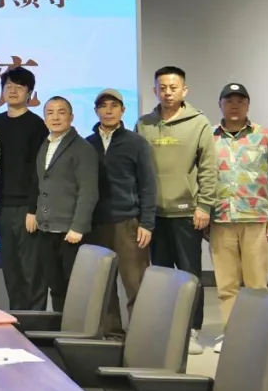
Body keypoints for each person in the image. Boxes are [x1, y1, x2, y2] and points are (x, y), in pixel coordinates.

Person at [136, 65, 217, 355]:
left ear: (184, 90)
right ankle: (163, 328)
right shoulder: (144, 124)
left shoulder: (199, 123)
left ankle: (191, 330)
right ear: (154, 90)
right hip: (153, 215)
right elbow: (137, 168)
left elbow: (208, 168)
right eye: (162, 88)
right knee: (159, 276)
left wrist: (204, 205)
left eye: (173, 87)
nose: (168, 92)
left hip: (186, 213)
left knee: (190, 274)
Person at [210, 83, 268, 353]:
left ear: (248, 105)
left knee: (256, 284)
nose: (234, 105)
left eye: (240, 100)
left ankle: (258, 335)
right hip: (221, 220)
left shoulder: (265, 137)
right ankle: (232, 334)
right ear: (220, 104)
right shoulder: (209, 137)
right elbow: (201, 178)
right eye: (229, 100)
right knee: (226, 284)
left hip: (256, 220)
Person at [85, 89, 156, 338]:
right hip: (96, 224)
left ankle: (140, 337)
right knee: (103, 284)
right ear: (96, 111)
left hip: (128, 223)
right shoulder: (87, 144)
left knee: (136, 283)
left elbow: (148, 184)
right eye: (103, 106)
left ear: (123, 110)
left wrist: (147, 223)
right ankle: (113, 335)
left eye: (114, 106)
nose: (108, 110)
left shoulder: (136, 143)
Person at [31, 96, 98, 313]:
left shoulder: (82, 148)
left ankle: (76, 330)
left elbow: (88, 190)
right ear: (44, 119)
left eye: (61, 112)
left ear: (71, 117)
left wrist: (78, 227)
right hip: (47, 229)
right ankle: (60, 328)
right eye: (50, 113)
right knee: (56, 287)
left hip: (70, 232)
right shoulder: (45, 145)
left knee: (75, 289)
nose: (56, 117)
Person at [0, 66, 49, 310]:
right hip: (1, 207)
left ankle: (36, 322)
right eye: (8, 86)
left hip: (26, 207)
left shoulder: (37, 125)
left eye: (19, 87)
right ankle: (18, 319)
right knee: (11, 268)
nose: (13, 91)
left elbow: (40, 171)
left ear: (30, 93)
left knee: (31, 269)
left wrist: (34, 209)